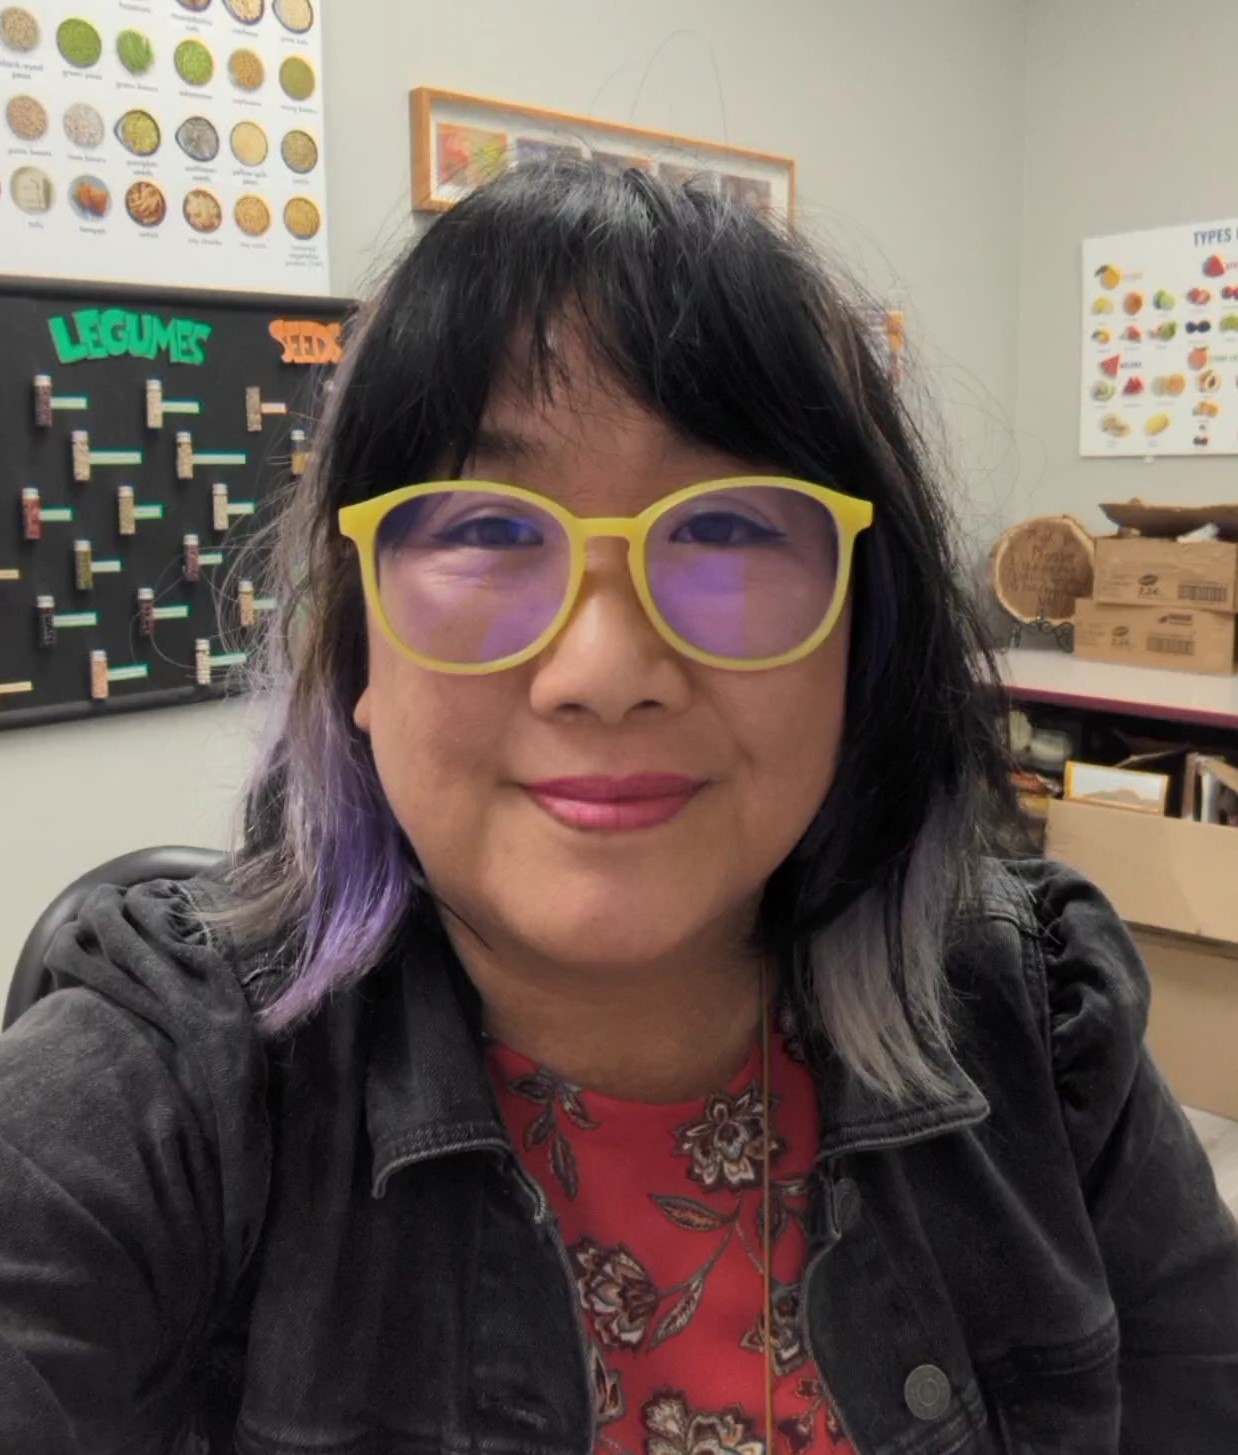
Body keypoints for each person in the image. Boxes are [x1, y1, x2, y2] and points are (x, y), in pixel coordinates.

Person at [1, 160, 1236, 1455]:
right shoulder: (160, 1100)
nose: (602, 674)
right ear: (357, 651)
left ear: (857, 642)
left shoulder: (1038, 1024)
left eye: (725, 536)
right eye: (482, 530)